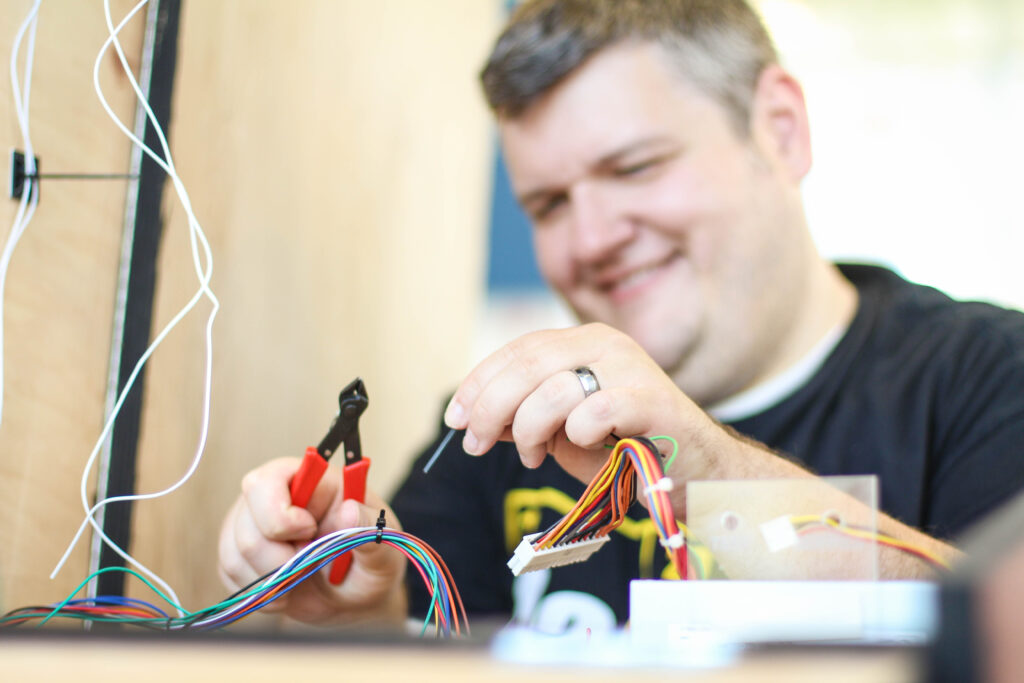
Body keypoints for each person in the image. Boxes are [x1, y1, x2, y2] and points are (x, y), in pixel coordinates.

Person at [218, 0, 1024, 629]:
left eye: (634, 167)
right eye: (549, 203)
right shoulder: (505, 432)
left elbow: (1000, 636)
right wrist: (360, 612)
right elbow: (406, 631)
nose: (594, 238)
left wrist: (702, 469)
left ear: (780, 129)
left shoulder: (989, 379)